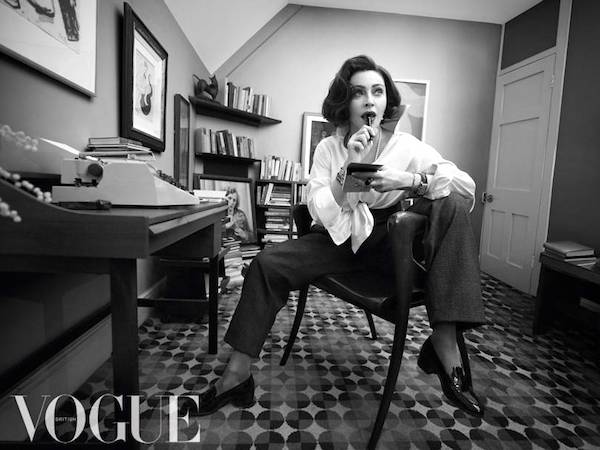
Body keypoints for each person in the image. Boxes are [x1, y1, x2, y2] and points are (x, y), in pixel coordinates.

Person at [189, 55, 485, 417]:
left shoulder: (407, 147)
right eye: (359, 93)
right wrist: (347, 166)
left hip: (388, 241)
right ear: (346, 102)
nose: (369, 100)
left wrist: (409, 180)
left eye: (377, 92)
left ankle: (445, 340)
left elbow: (467, 188)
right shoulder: (328, 148)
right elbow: (319, 210)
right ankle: (236, 376)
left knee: (450, 199)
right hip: (336, 237)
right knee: (266, 264)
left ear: (386, 102)